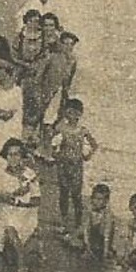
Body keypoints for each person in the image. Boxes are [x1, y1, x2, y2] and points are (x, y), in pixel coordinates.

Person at [0, 138, 43, 272]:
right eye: (10, 154)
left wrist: (21, 203)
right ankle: (28, 249)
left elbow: (37, 200)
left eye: (17, 154)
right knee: (9, 243)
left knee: (13, 230)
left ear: (22, 156)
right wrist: (8, 196)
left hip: (26, 214)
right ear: (5, 156)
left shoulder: (29, 174)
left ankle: (22, 268)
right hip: (6, 213)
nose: (13, 158)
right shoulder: (0, 175)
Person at [47, 98, 97, 235]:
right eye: (68, 112)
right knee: (63, 193)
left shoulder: (82, 130)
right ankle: (64, 222)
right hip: (63, 165)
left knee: (76, 195)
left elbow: (94, 144)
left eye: (74, 113)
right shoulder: (61, 128)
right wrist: (54, 154)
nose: (71, 116)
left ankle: (78, 223)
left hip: (76, 166)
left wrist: (88, 155)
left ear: (79, 114)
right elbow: (52, 143)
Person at [80, 182, 116, 261]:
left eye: (99, 199)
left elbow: (107, 234)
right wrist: (87, 246)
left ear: (106, 201)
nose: (96, 201)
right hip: (92, 235)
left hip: (103, 238)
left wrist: (105, 252)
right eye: (94, 198)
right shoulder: (89, 209)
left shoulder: (108, 214)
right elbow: (86, 228)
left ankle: (105, 250)